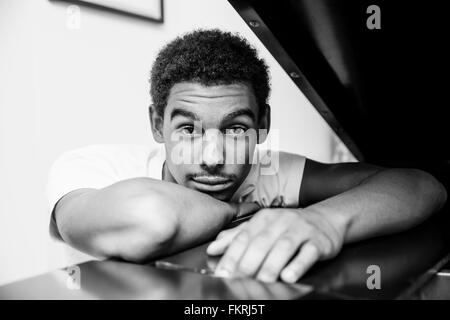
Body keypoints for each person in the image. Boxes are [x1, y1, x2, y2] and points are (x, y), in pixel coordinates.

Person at [46, 29, 447, 284]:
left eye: (236, 130)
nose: (213, 158)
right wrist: (233, 211)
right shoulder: (90, 166)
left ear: (262, 125)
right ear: (157, 124)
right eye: (188, 129)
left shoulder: (269, 168)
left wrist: (323, 221)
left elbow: (421, 185)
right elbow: (152, 219)